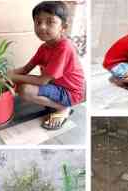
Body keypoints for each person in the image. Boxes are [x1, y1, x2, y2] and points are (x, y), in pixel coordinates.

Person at [8, 1, 85, 130]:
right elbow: (25, 69)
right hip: (56, 85)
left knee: (24, 89)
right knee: (19, 82)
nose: (42, 27)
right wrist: (2, 75)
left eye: (50, 22)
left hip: (71, 93)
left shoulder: (64, 47)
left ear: (63, 27)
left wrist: (13, 77)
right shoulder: (44, 47)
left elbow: (42, 81)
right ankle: (57, 103)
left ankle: (63, 108)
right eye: (38, 22)